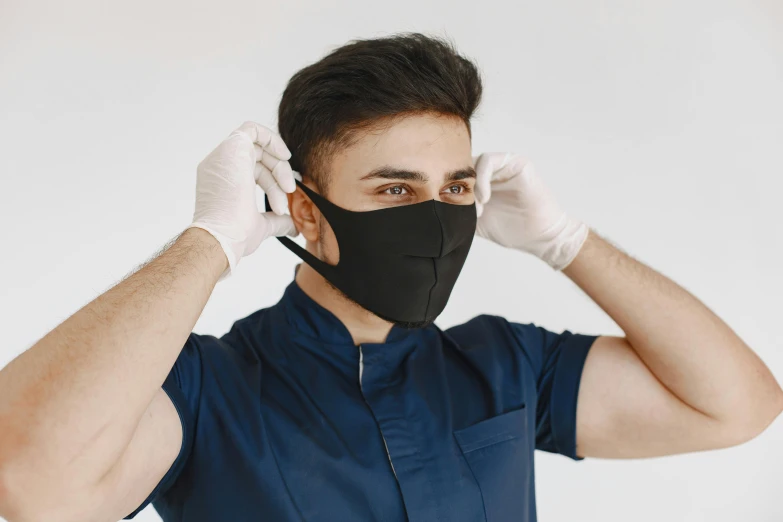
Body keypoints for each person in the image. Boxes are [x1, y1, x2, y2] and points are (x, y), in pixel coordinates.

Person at [0, 33, 780, 522]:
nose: (435, 218)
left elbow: (738, 406)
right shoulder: (205, 393)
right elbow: (29, 488)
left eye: (455, 189)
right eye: (395, 190)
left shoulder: (507, 366)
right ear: (305, 212)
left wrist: (565, 242)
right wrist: (208, 241)